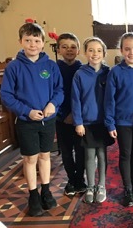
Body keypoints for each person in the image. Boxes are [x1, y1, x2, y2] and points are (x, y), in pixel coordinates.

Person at [1, 22, 64, 216]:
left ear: (43, 43)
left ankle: (45, 190)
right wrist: (26, 111)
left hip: (47, 120)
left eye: (36, 40)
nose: (32, 44)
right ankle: (33, 194)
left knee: (45, 156)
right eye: (27, 40)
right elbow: (6, 95)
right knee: (30, 159)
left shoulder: (51, 66)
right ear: (20, 41)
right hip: (27, 122)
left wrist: (53, 104)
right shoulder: (14, 67)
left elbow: (59, 90)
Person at [104, 32, 133, 207]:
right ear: (121, 50)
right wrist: (110, 122)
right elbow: (109, 100)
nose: (132, 52)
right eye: (127, 49)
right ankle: (128, 189)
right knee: (125, 154)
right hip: (122, 122)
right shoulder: (115, 72)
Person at [72, 37, 114, 203]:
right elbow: (75, 100)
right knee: (89, 156)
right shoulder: (80, 74)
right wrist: (78, 122)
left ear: (104, 53)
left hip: (103, 122)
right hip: (87, 123)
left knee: (102, 155)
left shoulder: (108, 72)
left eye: (98, 50)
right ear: (84, 52)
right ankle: (90, 186)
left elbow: (112, 99)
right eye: (91, 50)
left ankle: (101, 185)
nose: (95, 54)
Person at [56, 33, 86, 196]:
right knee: (66, 151)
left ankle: (80, 179)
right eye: (65, 47)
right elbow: (53, 93)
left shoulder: (82, 69)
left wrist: (76, 115)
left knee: (80, 150)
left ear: (79, 49)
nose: (69, 50)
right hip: (61, 118)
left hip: (79, 118)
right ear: (59, 50)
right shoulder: (55, 68)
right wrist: (63, 114)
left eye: (73, 47)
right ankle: (71, 180)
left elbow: (84, 95)